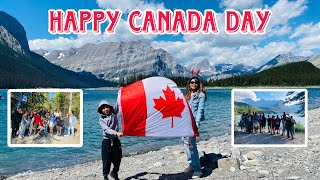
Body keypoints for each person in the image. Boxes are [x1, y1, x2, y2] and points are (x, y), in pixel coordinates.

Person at [184, 76, 206, 178]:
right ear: (189, 84)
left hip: (193, 123)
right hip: (184, 122)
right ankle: (191, 164)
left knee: (191, 145)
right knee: (186, 144)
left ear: (198, 84)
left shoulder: (200, 95)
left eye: (196, 82)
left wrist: (197, 123)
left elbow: (200, 110)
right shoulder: (187, 95)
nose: (194, 84)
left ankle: (198, 169)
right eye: (192, 82)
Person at [98, 100, 123, 180]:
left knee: (117, 160)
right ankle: (105, 176)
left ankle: (114, 173)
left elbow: (118, 104)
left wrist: (120, 94)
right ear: (101, 110)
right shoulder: (101, 119)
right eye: (103, 108)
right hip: (106, 142)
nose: (105, 109)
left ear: (110, 108)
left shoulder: (114, 113)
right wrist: (116, 133)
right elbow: (106, 130)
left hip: (116, 141)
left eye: (107, 107)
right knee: (106, 161)